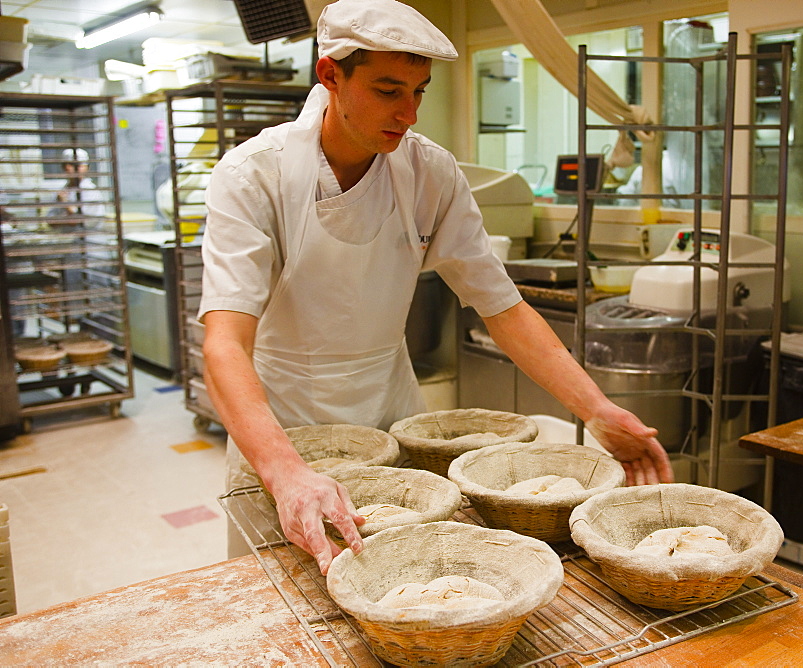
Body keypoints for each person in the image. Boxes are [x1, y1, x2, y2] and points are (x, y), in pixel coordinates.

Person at [199, 0, 674, 575]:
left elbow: (502, 308)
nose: (409, 113)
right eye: (387, 90)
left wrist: (597, 410)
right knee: (280, 601)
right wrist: (287, 473)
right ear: (330, 76)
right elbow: (224, 344)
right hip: (278, 426)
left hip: (388, 410)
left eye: (419, 91)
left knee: (391, 579)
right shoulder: (253, 175)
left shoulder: (430, 173)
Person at [56, 148, 105, 219]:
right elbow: (51, 221)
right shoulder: (63, 190)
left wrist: (65, 203)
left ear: (87, 168)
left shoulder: (90, 191)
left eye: (79, 166)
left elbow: (81, 220)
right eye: (70, 165)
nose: (75, 169)